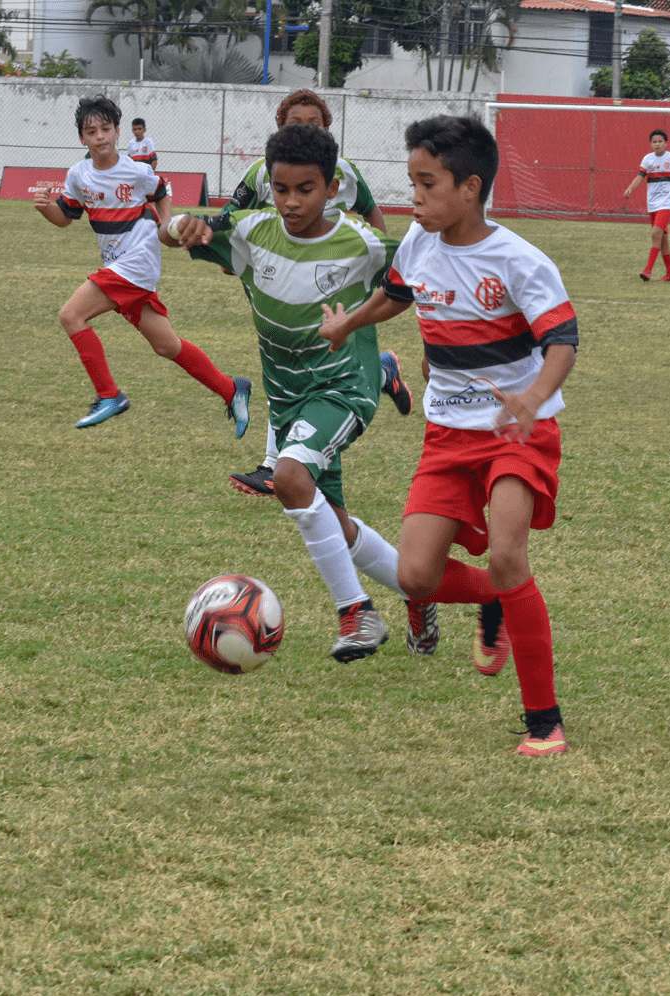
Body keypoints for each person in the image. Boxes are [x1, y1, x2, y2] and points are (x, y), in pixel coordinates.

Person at [317, 115, 578, 756]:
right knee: (415, 577)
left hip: (517, 431)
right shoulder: (418, 242)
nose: (415, 196)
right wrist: (347, 324)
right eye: (411, 182)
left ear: (469, 186)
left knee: (509, 554)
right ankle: (497, 600)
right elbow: (398, 296)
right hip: (446, 436)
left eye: (426, 184)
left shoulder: (519, 260)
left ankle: (544, 720)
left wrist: (533, 398)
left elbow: (563, 341)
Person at [172, 123, 436, 662]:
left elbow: (425, 278)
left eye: (306, 190)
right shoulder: (249, 232)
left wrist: (438, 346)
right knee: (333, 522)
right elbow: (175, 230)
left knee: (289, 477)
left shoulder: (361, 245)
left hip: (344, 387)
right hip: (289, 399)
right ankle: (421, 595)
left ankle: (356, 613)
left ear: (333, 186)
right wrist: (180, 225)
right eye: (281, 189)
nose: (292, 203)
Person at [224, 88, 414, 499]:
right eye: (296, 125)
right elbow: (227, 216)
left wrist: (373, 260)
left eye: (314, 124)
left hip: (337, 289)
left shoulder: (344, 172)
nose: (306, 130)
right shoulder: (261, 172)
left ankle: (276, 467)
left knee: (321, 364)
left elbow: (371, 211)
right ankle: (381, 373)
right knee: (290, 365)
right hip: (282, 279)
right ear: (280, 130)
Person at [35, 95, 251, 432]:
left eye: (106, 129)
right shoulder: (78, 175)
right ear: (82, 138)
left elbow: (161, 193)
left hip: (138, 261)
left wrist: (165, 226)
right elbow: (66, 217)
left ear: (117, 131)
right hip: (117, 263)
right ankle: (231, 389)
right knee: (166, 345)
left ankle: (109, 395)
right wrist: (45, 208)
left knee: (71, 315)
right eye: (92, 131)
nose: (100, 136)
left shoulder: (136, 171)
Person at [622, 128, 670, 282]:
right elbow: (640, 176)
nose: (657, 144)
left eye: (660, 141)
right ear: (651, 144)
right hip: (653, 204)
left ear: (666, 143)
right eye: (654, 142)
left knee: (655, 233)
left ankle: (647, 271)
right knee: (662, 238)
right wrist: (630, 188)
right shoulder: (647, 159)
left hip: (667, 202)